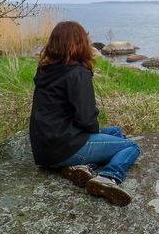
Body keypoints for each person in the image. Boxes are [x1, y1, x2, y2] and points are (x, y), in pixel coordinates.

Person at [29, 21, 140, 206]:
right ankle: (108, 178)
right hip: (64, 147)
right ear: (80, 43)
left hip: (45, 149)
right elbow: (86, 119)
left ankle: (80, 166)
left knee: (116, 132)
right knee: (130, 147)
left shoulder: (45, 70)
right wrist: (92, 134)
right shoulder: (78, 73)